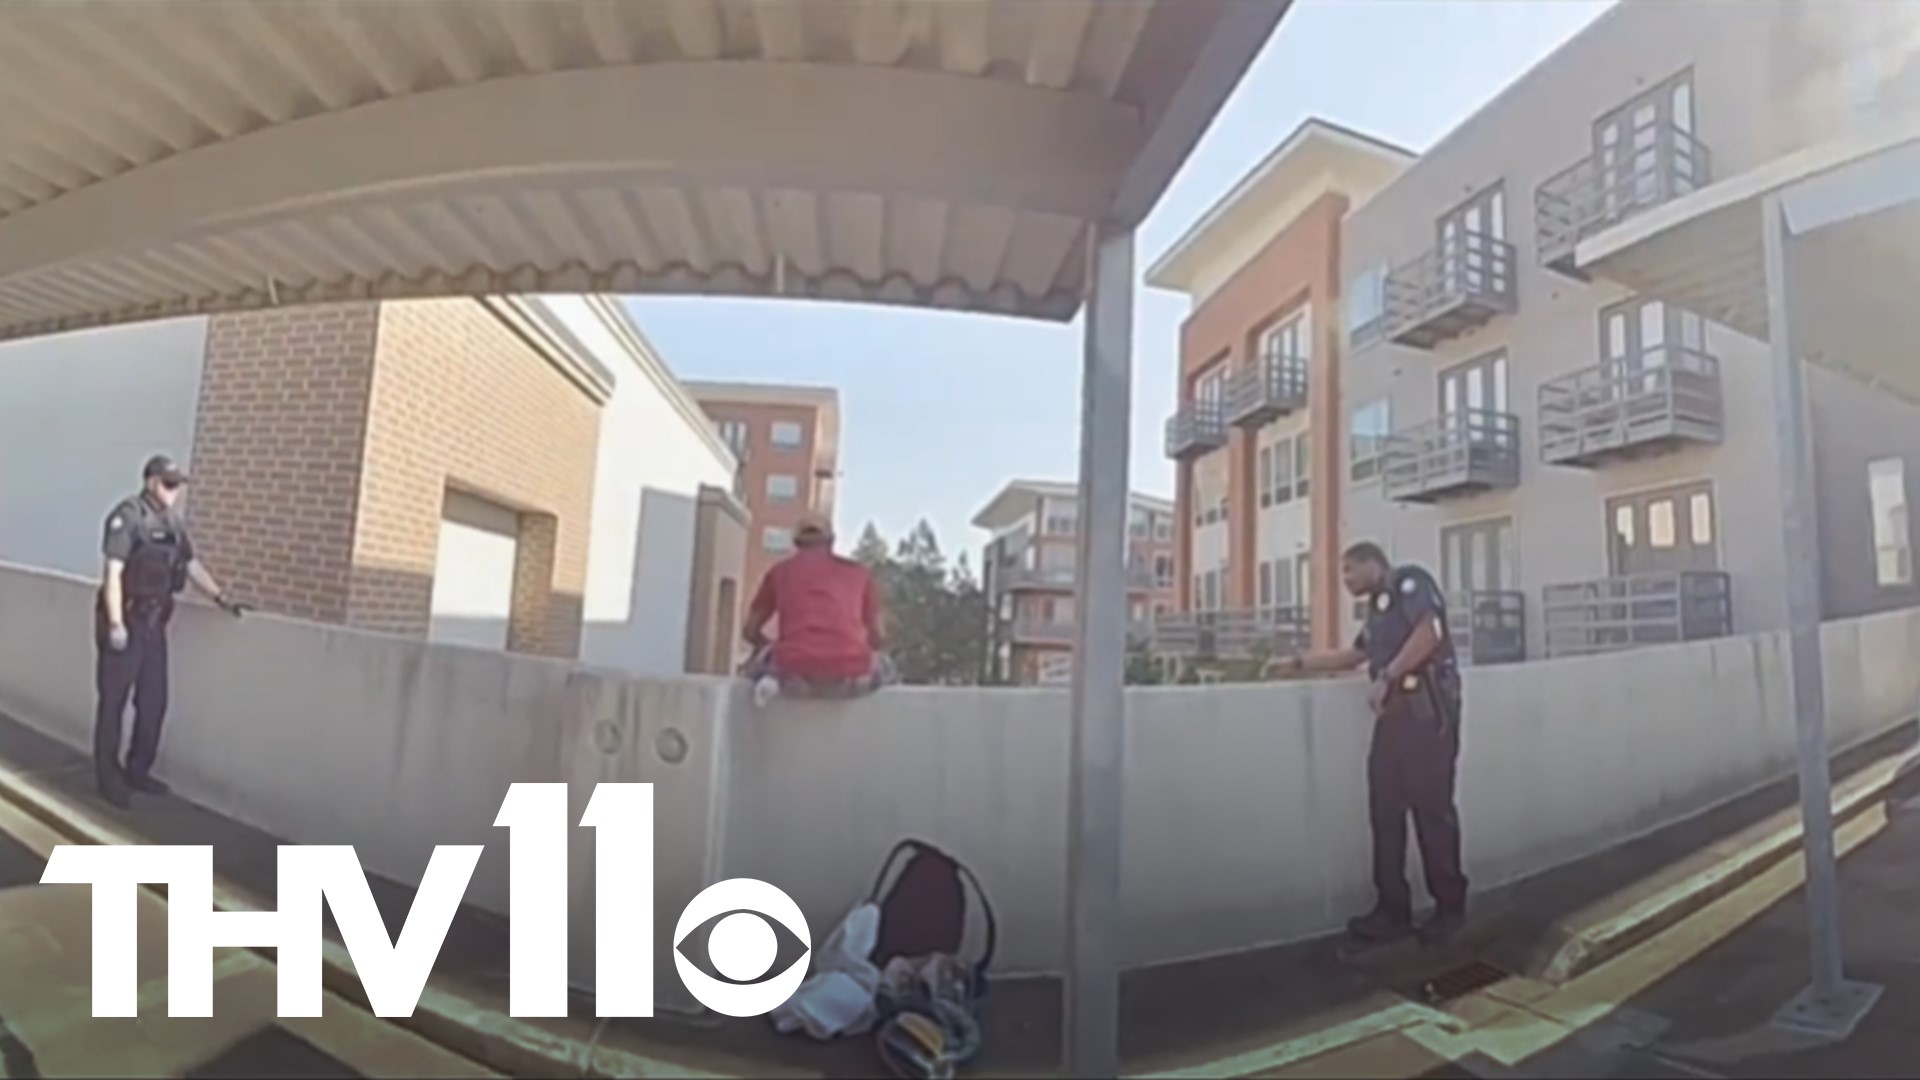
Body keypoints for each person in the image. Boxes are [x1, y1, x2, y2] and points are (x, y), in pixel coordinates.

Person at [1270, 541, 1468, 946]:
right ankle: (1392, 910)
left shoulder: (1410, 584)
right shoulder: (1377, 612)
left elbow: (1430, 633)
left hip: (1428, 715)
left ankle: (1450, 907)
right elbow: (1352, 657)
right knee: (1385, 812)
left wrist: (1388, 675)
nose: (1345, 580)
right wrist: (1298, 663)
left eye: (1350, 570)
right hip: (1393, 720)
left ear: (1374, 564)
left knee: (1432, 812)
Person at [94, 454, 244, 808]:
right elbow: (113, 574)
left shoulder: (173, 525)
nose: (174, 491)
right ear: (150, 481)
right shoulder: (128, 517)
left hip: (154, 626)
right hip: (126, 621)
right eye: (168, 483)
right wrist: (116, 624)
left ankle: (138, 771)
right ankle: (108, 779)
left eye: (178, 485)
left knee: (153, 703)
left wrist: (222, 598)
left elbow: (192, 566)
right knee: (113, 705)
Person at [741, 512, 894, 705]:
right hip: (852, 676)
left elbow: (749, 631)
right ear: (831, 541)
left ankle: (772, 679)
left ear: (796, 542)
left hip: (792, 674)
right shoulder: (859, 574)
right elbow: (878, 636)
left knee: (760, 663)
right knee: (886, 666)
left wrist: (770, 648)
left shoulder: (779, 572)